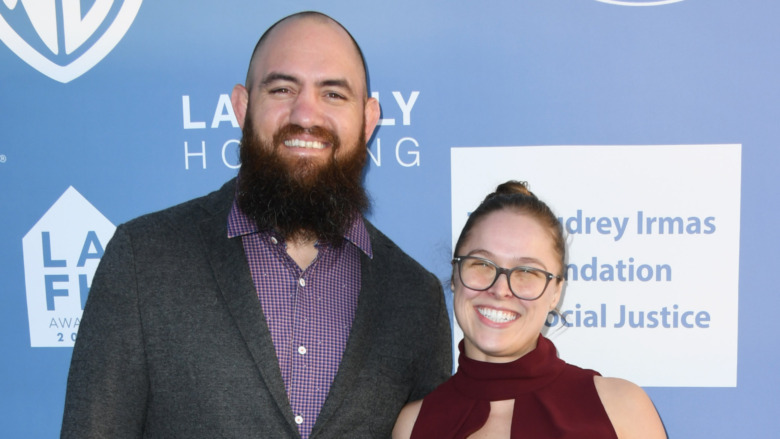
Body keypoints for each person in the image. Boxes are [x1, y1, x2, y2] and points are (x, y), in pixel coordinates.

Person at [61, 11, 451, 439]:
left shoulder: (417, 297)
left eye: (334, 94)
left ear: (368, 118)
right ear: (243, 107)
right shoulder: (143, 260)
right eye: (283, 89)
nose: (306, 114)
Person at [393, 181, 667, 439]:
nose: (501, 289)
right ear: (455, 275)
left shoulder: (622, 410)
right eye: (482, 265)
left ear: (555, 292)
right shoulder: (413, 426)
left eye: (526, 271)